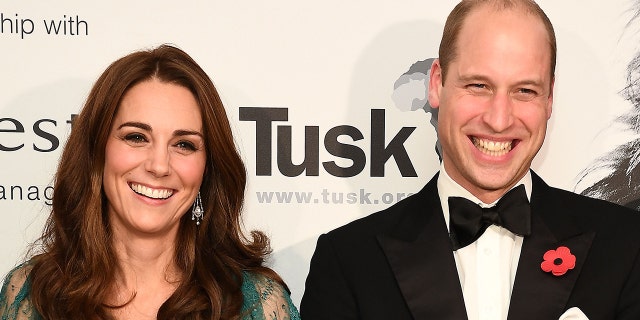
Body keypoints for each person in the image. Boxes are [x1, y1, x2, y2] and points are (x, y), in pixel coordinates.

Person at [301, 1, 640, 319]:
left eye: (525, 90)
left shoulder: (626, 247)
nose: (499, 119)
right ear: (437, 84)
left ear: (549, 98)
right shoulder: (349, 261)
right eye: (478, 85)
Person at [0, 45, 300, 320]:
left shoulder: (258, 305)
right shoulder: (32, 294)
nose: (159, 166)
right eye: (136, 137)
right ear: (97, 151)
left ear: (207, 167)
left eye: (184, 144)